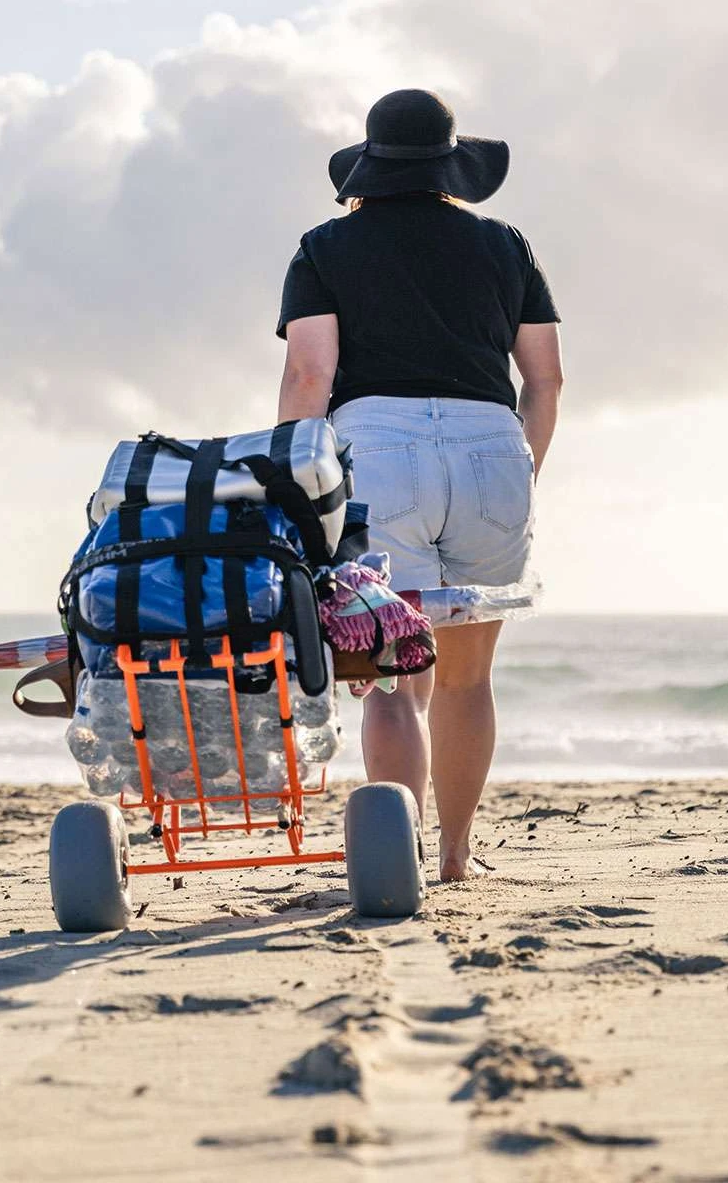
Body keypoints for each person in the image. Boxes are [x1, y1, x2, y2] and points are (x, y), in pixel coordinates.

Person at [276, 89, 564, 883]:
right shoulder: (506, 244)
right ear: (451, 164)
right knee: (470, 678)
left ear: (369, 165)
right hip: (491, 447)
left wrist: (297, 494)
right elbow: (545, 380)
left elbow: (309, 374)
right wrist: (520, 469)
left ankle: (394, 855)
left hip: (378, 451)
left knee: (395, 680)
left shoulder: (325, 247)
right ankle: (455, 856)